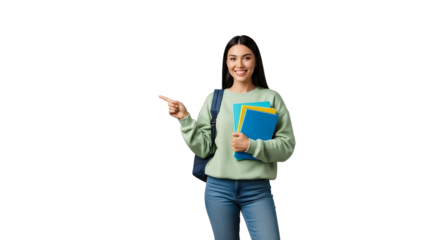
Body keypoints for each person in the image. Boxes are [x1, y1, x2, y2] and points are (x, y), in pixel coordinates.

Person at [156, 34, 297, 240]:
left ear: (256, 60)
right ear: (225, 62)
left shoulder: (272, 98)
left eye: (246, 57)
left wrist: (251, 145)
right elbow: (203, 148)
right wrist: (185, 119)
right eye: (233, 58)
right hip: (217, 189)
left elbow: (288, 148)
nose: (239, 64)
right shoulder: (214, 98)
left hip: (257, 189)